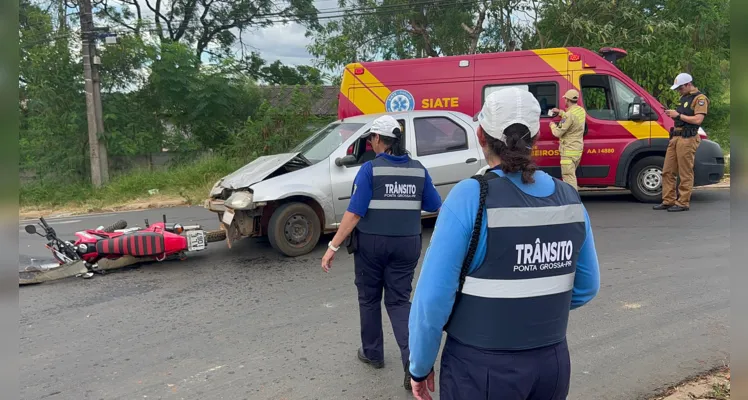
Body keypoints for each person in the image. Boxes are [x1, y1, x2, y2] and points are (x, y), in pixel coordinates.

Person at [407, 87, 601, 400]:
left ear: (481, 134)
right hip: (551, 367)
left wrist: (420, 365)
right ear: (537, 137)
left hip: (480, 369)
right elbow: (586, 287)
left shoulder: (471, 197)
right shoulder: (569, 198)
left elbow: (431, 302)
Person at [321, 114, 442, 390]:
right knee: (399, 303)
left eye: (372, 139)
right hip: (407, 244)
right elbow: (436, 205)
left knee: (369, 299)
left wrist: (332, 247)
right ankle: (414, 367)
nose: (371, 144)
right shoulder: (419, 169)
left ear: (377, 139)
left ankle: (373, 353)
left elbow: (354, 214)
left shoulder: (369, 170)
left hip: (372, 245)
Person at [653, 73, 709, 212]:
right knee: (667, 171)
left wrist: (678, 115)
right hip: (676, 137)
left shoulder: (700, 99)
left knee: (685, 172)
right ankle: (668, 200)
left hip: (688, 138)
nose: (679, 90)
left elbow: (698, 120)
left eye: (680, 88)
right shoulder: (683, 97)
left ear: (688, 84)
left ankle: (683, 202)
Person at [550, 89, 587, 190]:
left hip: (568, 151)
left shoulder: (568, 115)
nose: (564, 100)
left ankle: (573, 200)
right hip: (577, 150)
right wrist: (560, 112)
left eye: (565, 98)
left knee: (568, 178)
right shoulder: (581, 111)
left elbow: (557, 133)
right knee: (571, 175)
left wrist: (552, 125)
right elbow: (571, 116)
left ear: (567, 100)